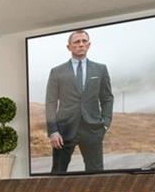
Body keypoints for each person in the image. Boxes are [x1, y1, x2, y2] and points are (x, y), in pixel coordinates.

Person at [44, 29, 113, 173]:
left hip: (93, 130)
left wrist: (105, 124)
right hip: (64, 132)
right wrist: (53, 131)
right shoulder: (57, 72)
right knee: (57, 173)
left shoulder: (100, 69)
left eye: (84, 41)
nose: (81, 44)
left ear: (89, 45)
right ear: (69, 47)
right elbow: (51, 102)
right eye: (76, 42)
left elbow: (107, 98)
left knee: (96, 174)